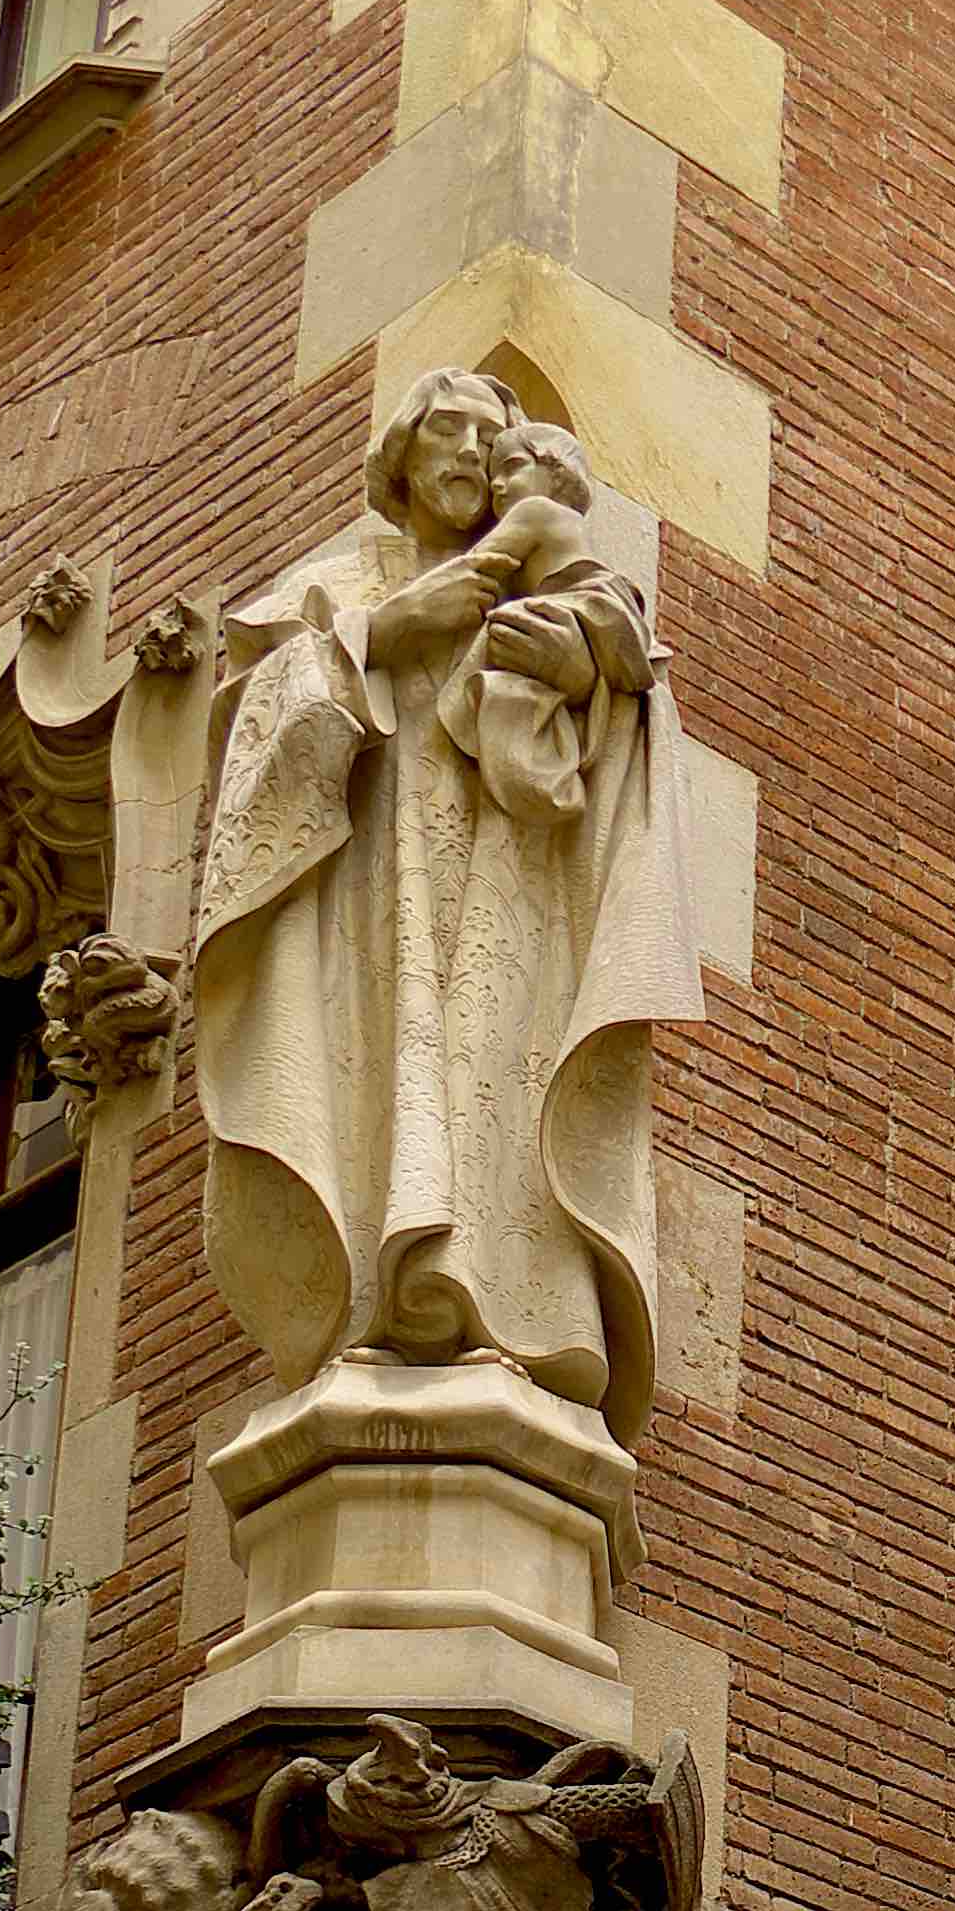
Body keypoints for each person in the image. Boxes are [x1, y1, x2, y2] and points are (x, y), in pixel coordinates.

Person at [192, 367, 704, 1441]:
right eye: (447, 431)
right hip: (366, 898)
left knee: (498, 1073)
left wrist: (576, 666)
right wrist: (384, 632)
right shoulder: (329, 589)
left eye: (489, 436)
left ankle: (512, 1312)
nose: (469, 452)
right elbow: (247, 744)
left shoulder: (539, 577)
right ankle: (376, 1305)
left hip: (510, 894)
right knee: (381, 1078)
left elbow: (629, 703)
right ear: (401, 455)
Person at [435, 419, 609, 823]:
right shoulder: (560, 521)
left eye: (512, 467)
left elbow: (475, 567)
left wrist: (413, 592)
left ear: (556, 471)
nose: (496, 485)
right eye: (493, 475)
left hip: (576, 610)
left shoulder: (536, 512)